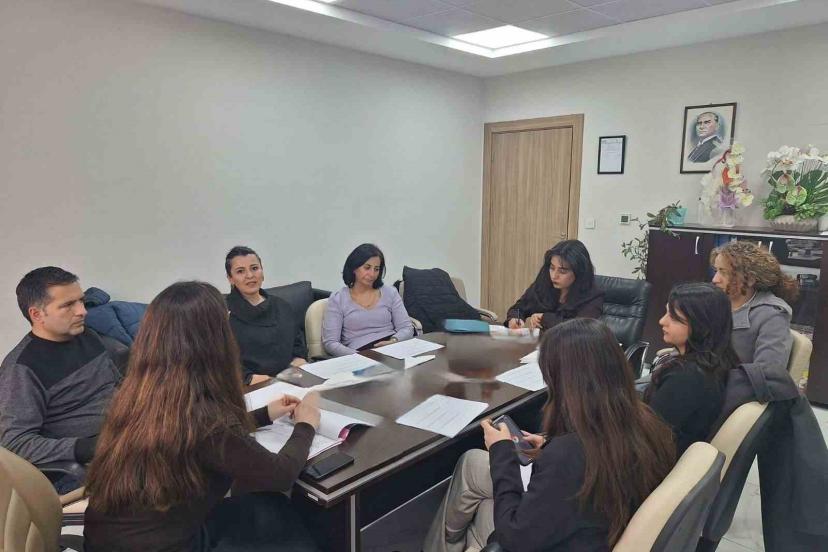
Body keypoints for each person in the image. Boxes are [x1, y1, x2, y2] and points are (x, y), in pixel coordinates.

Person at [84, 281, 321, 552]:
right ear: (212, 339)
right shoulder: (203, 416)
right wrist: (306, 424)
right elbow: (280, 474)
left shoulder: (142, 393)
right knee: (281, 516)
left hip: (111, 539)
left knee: (269, 506)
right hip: (163, 545)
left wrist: (264, 415)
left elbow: (198, 438)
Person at [424, 318, 675, 552]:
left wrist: (502, 452)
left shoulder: (568, 456)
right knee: (471, 462)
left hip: (555, 540)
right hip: (594, 524)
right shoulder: (646, 421)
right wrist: (547, 443)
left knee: (482, 510)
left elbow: (513, 537)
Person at [0, 267, 122, 493]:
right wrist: (84, 448)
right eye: (68, 305)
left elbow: (115, 385)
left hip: (125, 434)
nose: (82, 311)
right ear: (37, 314)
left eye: (81, 301)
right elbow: (14, 443)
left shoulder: (87, 336)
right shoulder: (22, 369)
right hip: (86, 462)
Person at [644, 283, 736, 455]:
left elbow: (646, 435)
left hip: (653, 461)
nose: (662, 321)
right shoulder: (715, 362)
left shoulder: (687, 378)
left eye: (673, 317)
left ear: (701, 325)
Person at [710, 240, 800, 403]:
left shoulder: (772, 315)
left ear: (750, 279)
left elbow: (767, 375)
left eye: (723, 272)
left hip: (732, 396)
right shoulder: (718, 302)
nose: (715, 279)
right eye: (716, 271)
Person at [224, 246, 308, 385]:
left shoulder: (282, 306)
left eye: (254, 268)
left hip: (291, 378)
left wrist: (299, 358)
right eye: (240, 271)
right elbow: (222, 358)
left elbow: (297, 341)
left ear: (262, 272)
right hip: (249, 385)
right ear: (230, 279)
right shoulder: (223, 314)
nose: (250, 275)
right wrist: (247, 378)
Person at [323, 243, 414, 356]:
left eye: (376, 269)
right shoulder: (338, 299)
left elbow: (406, 328)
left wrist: (394, 341)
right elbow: (331, 343)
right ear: (354, 268)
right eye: (367, 268)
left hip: (392, 348)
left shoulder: (390, 292)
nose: (372, 274)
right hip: (359, 354)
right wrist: (358, 356)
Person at [505, 240, 604, 331]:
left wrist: (546, 318)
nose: (554, 276)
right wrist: (515, 318)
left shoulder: (593, 296)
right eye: (552, 268)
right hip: (542, 342)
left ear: (579, 272)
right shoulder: (544, 283)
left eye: (562, 271)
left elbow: (580, 329)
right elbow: (519, 308)